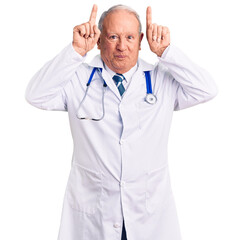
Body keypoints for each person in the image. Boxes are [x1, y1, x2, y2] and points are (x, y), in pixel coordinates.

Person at [25, 4, 218, 240]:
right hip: (94, 216)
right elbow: (35, 95)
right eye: (113, 36)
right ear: (98, 40)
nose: (121, 46)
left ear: (141, 41)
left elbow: (207, 90)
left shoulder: (161, 81)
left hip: (148, 216)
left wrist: (167, 52)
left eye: (129, 37)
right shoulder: (78, 79)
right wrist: (75, 52)